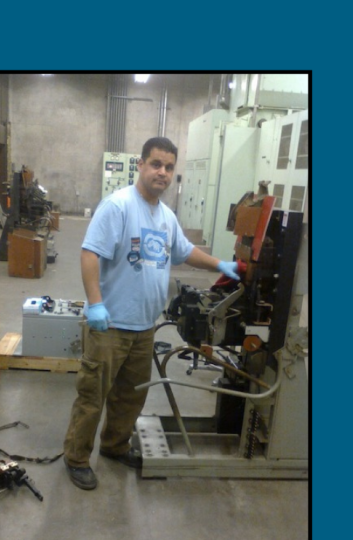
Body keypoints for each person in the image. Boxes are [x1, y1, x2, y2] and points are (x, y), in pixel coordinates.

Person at [63, 137, 239, 490]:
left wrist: (219, 263)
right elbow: (89, 254)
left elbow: (184, 251)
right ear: (141, 165)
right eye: (156, 164)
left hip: (145, 327)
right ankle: (77, 458)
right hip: (110, 324)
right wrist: (96, 303)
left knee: (130, 396)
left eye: (169, 167)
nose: (162, 172)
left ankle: (114, 447)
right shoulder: (118, 206)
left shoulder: (166, 216)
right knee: (93, 396)